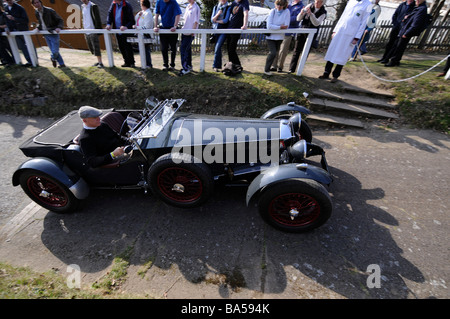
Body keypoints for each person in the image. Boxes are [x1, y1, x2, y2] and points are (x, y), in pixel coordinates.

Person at [318, 0, 372, 83]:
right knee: (332, 52)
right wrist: (335, 30)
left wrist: (357, 37)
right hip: (340, 31)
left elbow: (364, 22)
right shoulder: (351, 1)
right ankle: (326, 72)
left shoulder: (368, 4)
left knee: (343, 54)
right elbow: (343, 16)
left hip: (351, 34)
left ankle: (335, 75)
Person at [383, 0, 429, 67]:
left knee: (399, 47)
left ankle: (393, 61)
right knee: (397, 45)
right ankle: (395, 61)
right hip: (404, 29)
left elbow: (416, 23)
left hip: (407, 31)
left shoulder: (422, 9)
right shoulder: (417, 7)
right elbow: (412, 18)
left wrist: (407, 33)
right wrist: (407, 17)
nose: (417, 1)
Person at [288, 0, 326, 73]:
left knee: (306, 52)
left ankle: (300, 69)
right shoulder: (309, 6)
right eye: (316, 1)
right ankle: (291, 69)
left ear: (322, 3)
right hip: (302, 31)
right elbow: (298, 19)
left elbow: (316, 23)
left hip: (312, 34)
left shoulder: (323, 12)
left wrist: (311, 14)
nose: (316, 3)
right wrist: (301, 13)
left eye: (319, 2)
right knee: (296, 50)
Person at [31, 0, 65, 68]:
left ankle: (52, 58)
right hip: (45, 33)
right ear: (33, 5)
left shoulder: (49, 10)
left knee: (55, 51)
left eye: (38, 2)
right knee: (53, 50)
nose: (37, 4)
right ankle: (62, 64)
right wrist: (38, 28)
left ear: (41, 2)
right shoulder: (36, 12)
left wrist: (59, 27)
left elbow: (60, 20)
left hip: (52, 32)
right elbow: (41, 23)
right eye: (35, 3)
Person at [271, 0, 303, 73]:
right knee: (276, 48)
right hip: (279, 30)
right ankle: (274, 65)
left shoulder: (301, 6)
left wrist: (286, 19)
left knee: (283, 50)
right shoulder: (286, 3)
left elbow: (297, 19)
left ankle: (280, 66)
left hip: (289, 31)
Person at [153, 0, 182, 71]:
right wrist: (155, 26)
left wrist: (175, 26)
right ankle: (165, 65)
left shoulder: (173, 2)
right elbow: (156, 15)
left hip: (172, 28)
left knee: (173, 48)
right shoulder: (159, 2)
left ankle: (172, 65)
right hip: (163, 27)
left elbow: (178, 14)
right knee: (164, 48)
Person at [264, 0, 290, 76]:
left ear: (284, 5)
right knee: (273, 53)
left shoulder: (287, 11)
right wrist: (280, 27)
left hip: (280, 37)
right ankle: (266, 69)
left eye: (281, 5)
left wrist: (276, 27)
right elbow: (269, 26)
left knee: (274, 54)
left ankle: (269, 68)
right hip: (270, 36)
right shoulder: (272, 11)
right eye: (278, 4)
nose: (279, 6)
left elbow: (286, 25)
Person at [106, 0, 135, 67]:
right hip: (117, 30)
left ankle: (132, 63)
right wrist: (108, 24)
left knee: (128, 47)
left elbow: (131, 20)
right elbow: (109, 14)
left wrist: (126, 26)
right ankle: (126, 62)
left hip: (125, 31)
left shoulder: (127, 5)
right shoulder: (113, 4)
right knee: (121, 46)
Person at [3, 0, 33, 67]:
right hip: (14, 30)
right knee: (21, 46)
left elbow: (26, 20)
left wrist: (14, 18)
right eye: (8, 0)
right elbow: (6, 20)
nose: (9, 1)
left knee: (28, 45)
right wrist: (7, 28)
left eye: (10, 0)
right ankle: (29, 61)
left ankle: (33, 61)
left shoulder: (19, 7)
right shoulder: (6, 8)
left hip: (22, 29)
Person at [179, 0, 200, 76]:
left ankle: (185, 68)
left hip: (190, 33)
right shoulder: (188, 7)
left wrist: (192, 32)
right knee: (188, 50)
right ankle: (189, 66)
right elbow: (185, 19)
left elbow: (196, 21)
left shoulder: (196, 7)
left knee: (183, 50)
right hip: (184, 32)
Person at [80, 0, 104, 68]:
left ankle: (100, 62)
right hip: (86, 30)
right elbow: (83, 18)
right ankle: (98, 61)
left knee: (96, 46)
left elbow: (97, 18)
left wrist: (98, 30)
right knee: (91, 47)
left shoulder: (93, 6)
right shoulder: (82, 7)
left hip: (93, 29)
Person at [227, 0, 249, 68]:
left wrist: (245, 25)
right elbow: (230, 13)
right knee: (228, 48)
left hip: (237, 28)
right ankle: (232, 64)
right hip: (230, 27)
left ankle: (238, 65)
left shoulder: (245, 2)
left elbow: (246, 13)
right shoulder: (234, 2)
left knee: (232, 48)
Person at [211, 0, 231, 72]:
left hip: (223, 30)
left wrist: (216, 20)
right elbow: (212, 20)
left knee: (218, 47)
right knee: (217, 49)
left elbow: (225, 21)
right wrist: (218, 14)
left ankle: (215, 65)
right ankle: (217, 66)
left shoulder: (228, 7)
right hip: (215, 30)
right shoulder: (216, 7)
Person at [133, 0, 154, 69]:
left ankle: (148, 64)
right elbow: (136, 19)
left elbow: (147, 27)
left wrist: (137, 27)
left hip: (146, 34)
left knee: (146, 50)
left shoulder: (148, 13)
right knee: (142, 50)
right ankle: (144, 64)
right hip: (140, 34)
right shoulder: (142, 13)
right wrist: (138, 15)